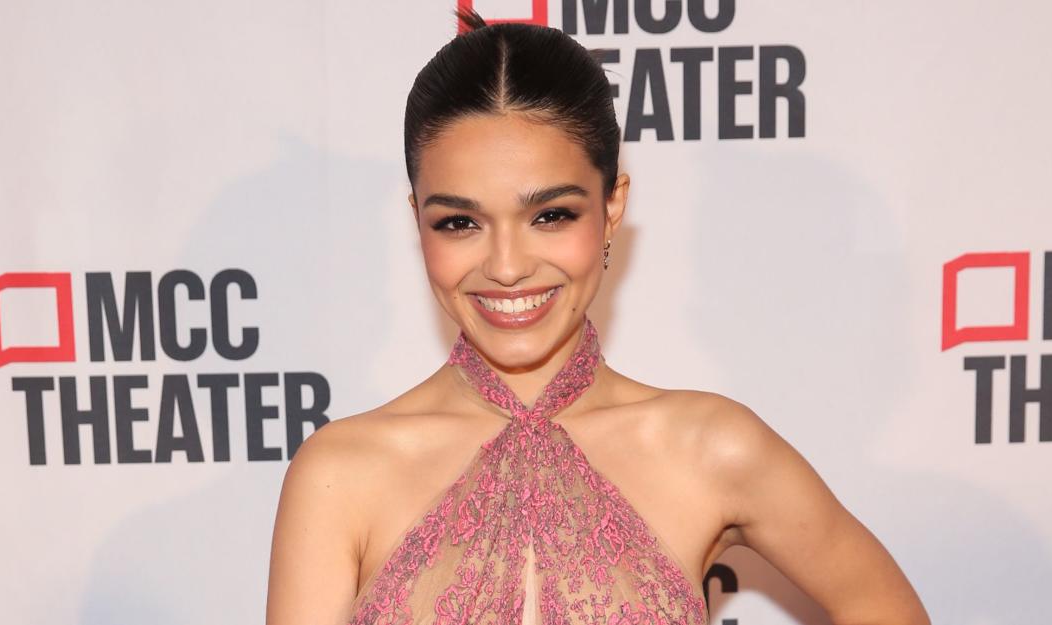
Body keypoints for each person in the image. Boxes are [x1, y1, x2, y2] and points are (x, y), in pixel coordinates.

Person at [266, 10, 929, 625]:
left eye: (550, 214)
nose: (505, 265)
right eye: (460, 221)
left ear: (612, 208)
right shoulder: (339, 473)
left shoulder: (711, 445)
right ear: (418, 221)